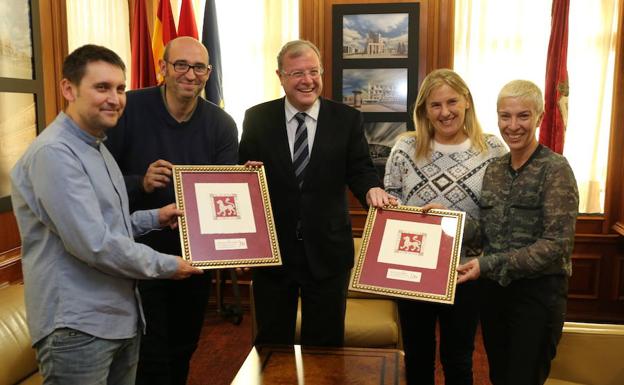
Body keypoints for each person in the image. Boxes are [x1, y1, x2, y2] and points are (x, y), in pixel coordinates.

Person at [10, 44, 202, 385]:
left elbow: (111, 226)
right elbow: (95, 244)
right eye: (102, 87)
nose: (114, 98)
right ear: (68, 89)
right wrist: (169, 265)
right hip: (77, 329)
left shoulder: (96, 147)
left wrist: (154, 217)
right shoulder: (56, 154)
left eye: (120, 88)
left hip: (117, 319)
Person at [238, 40, 393, 347]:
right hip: (274, 253)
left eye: (313, 71)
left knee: (325, 347)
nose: (307, 80)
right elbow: (244, 182)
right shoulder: (257, 118)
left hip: (328, 252)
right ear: (280, 76)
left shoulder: (347, 119)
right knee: (272, 345)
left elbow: (360, 169)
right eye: (297, 73)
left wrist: (372, 189)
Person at [105, 36, 238, 385]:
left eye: (198, 67)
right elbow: (99, 179)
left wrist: (245, 189)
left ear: (208, 73)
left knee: (184, 346)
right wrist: (141, 183)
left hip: (196, 256)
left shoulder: (222, 124)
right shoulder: (128, 109)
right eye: (181, 65)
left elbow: (227, 194)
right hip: (137, 253)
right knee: (150, 352)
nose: (190, 74)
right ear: (163, 67)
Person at [384, 68, 507, 385]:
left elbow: (499, 222)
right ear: (424, 110)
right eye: (435, 105)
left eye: (452, 101)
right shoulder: (404, 148)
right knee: (417, 357)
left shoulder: (493, 150)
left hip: (464, 273)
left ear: (467, 101)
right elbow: (391, 208)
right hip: (412, 272)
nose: (445, 112)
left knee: (458, 359)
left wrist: (451, 223)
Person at [456, 80, 579, 385]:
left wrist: (488, 264)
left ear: (539, 117)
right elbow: (485, 232)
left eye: (523, 116)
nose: (512, 126)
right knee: (499, 376)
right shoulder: (495, 169)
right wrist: (446, 221)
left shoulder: (556, 169)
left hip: (537, 297)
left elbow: (556, 245)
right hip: (495, 295)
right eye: (504, 116)